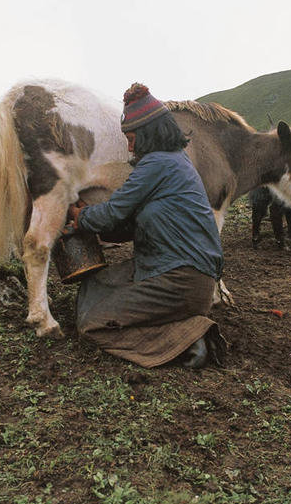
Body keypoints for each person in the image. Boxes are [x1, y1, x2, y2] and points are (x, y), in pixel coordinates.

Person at [67, 83, 226, 368]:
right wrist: (94, 222)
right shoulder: (174, 162)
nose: (129, 147)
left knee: (92, 324)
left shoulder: (158, 164)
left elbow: (114, 213)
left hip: (181, 279)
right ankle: (176, 322)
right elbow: (128, 224)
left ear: (148, 133)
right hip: (168, 268)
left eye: (131, 139)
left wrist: (81, 217)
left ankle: (188, 336)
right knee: (94, 285)